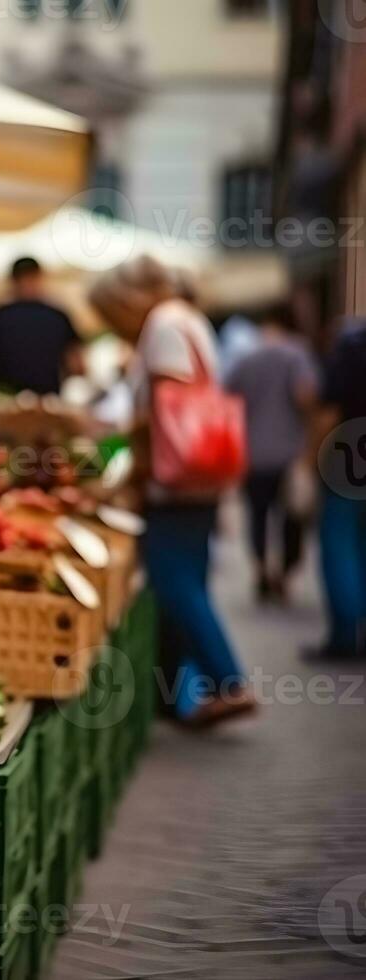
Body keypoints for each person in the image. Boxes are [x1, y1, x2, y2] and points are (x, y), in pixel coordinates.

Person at [90, 256, 254, 727]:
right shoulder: (188, 318)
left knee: (172, 580)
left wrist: (130, 459)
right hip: (200, 477)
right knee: (191, 577)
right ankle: (183, 694)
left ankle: (228, 681)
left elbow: (165, 408)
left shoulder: (164, 324)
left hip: (176, 479)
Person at [225, 304, 318, 603]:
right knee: (291, 519)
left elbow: (226, 397)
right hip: (289, 453)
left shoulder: (247, 358)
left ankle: (261, 569)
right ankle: (284, 575)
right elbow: (307, 395)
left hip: (253, 453)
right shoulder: (297, 354)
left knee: (258, 515)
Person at [313, 317, 366, 660]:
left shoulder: (352, 343)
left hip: (351, 454)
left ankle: (346, 637)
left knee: (340, 545)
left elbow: (329, 412)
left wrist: (310, 459)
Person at [0, 257, 82, 395]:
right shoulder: (57, 315)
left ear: (12, 281)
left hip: (4, 402)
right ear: (39, 277)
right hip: (45, 403)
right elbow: (77, 364)